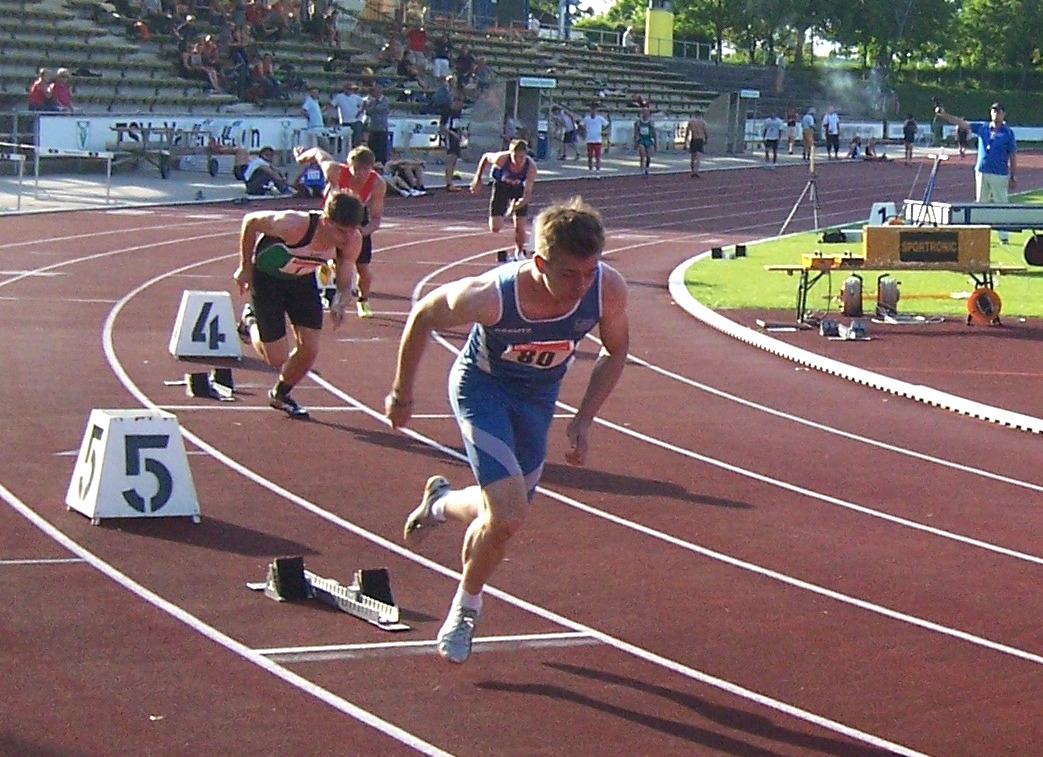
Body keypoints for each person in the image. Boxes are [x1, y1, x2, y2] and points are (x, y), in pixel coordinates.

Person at [384, 197, 630, 664]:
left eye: (589, 272)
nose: (581, 286)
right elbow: (423, 315)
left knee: (499, 517)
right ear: (539, 263)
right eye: (569, 275)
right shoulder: (491, 296)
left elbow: (615, 350)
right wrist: (401, 393)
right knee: (510, 513)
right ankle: (466, 607)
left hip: (537, 401)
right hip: (484, 390)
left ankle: (439, 503)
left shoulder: (607, 289)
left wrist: (584, 418)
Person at [233, 191, 364, 418]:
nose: (347, 237)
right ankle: (250, 321)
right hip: (268, 280)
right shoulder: (293, 225)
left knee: (310, 349)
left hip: (302, 281)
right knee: (277, 358)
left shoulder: (352, 240)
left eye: (352, 230)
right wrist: (245, 266)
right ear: (326, 221)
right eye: (342, 231)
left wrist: (340, 303)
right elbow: (250, 221)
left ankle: (281, 394)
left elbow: (345, 277)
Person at [295, 144, 388, 317]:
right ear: (348, 165)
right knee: (327, 258)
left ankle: (363, 300)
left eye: (366, 170)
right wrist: (301, 158)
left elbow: (376, 218)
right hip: (332, 218)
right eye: (356, 169)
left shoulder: (377, 184)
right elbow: (318, 153)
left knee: (363, 268)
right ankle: (328, 273)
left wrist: (363, 231)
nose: (361, 174)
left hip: (356, 219)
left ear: (372, 168)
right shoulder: (334, 171)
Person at [935, 102, 1018, 244]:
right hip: (982, 171)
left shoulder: (1008, 133)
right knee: (980, 203)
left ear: (1004, 114)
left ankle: (1003, 235)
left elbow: (1013, 155)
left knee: (1001, 203)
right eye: (993, 111)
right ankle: (980, 234)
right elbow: (962, 123)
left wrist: (1013, 175)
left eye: (998, 111)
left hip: (999, 173)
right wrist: (944, 115)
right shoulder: (983, 127)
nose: (995, 114)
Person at [470, 138, 537, 264]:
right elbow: (485, 157)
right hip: (501, 187)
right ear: (510, 153)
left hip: (518, 189)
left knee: (520, 225)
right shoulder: (501, 158)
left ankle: (519, 252)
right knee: (495, 227)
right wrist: (477, 179)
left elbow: (527, 194)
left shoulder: (531, 167)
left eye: (522, 157)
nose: (518, 160)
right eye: (515, 156)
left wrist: (516, 205)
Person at [329, 80, 365, 150]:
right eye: (349, 88)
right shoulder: (339, 97)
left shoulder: (356, 97)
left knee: (356, 141)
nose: (350, 90)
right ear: (344, 89)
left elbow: (364, 103)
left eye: (351, 89)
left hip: (356, 121)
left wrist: (360, 112)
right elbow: (331, 105)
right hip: (345, 122)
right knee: (344, 141)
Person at [440, 95, 465, 191]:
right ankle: (449, 183)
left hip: (456, 137)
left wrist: (461, 133)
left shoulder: (458, 112)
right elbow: (442, 126)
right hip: (450, 137)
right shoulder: (447, 111)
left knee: (454, 159)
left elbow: (458, 125)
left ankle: (451, 180)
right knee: (451, 159)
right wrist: (452, 134)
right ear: (455, 102)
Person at [363, 80, 391, 167]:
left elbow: (380, 108)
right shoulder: (371, 100)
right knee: (372, 148)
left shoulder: (385, 100)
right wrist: (371, 105)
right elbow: (368, 111)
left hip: (382, 128)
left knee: (382, 149)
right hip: (372, 128)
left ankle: (382, 165)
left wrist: (373, 105)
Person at [581, 103, 610, 178]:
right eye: (592, 109)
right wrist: (584, 132)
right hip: (589, 139)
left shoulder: (600, 118)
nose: (593, 111)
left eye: (594, 110)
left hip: (597, 140)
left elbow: (607, 124)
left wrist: (602, 131)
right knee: (590, 156)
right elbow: (581, 125)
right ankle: (590, 170)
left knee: (598, 156)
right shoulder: (586, 119)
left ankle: (598, 171)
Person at [683, 109, 709, 177]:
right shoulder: (702, 122)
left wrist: (685, 142)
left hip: (693, 139)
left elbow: (687, 132)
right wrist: (706, 139)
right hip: (700, 139)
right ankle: (696, 170)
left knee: (692, 156)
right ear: (700, 115)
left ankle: (692, 171)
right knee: (698, 156)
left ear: (694, 114)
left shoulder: (691, 121)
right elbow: (705, 131)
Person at [632, 106, 657, 176]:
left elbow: (654, 133)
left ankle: (647, 168)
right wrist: (635, 143)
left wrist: (656, 144)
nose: (645, 113)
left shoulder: (651, 122)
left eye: (646, 112)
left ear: (648, 113)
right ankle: (642, 170)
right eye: (644, 112)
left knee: (648, 156)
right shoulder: (638, 122)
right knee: (642, 156)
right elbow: (636, 133)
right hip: (641, 140)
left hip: (649, 140)